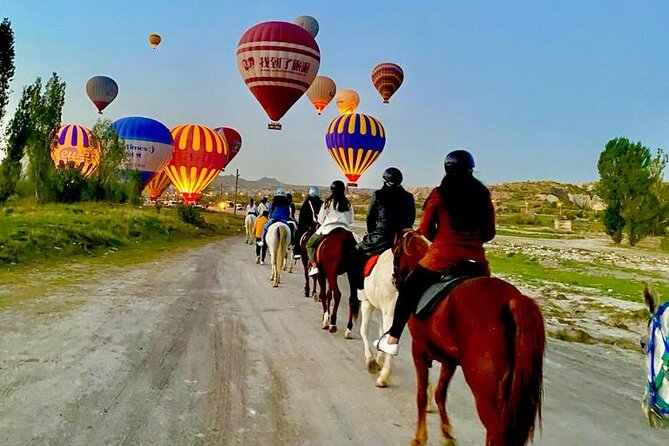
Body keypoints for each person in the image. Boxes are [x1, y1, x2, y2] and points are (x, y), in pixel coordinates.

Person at [374, 150, 496, 356]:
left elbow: (427, 229)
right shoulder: (483, 195)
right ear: (471, 169)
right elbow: (489, 233)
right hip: (476, 261)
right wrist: (472, 241)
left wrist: (443, 238)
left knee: (409, 289)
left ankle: (392, 339)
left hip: (442, 258)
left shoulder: (439, 194)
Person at [350, 167, 416, 290]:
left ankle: (359, 290)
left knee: (356, 252)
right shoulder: (409, 196)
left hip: (382, 237)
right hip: (403, 237)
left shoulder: (378, 195)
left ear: (384, 181)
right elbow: (411, 219)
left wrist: (372, 234)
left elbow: (370, 218)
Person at [306, 180, 354, 276]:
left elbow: (320, 219)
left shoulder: (327, 203)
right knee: (356, 247)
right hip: (344, 230)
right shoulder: (348, 204)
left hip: (328, 229)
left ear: (332, 190)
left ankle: (314, 266)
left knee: (310, 244)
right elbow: (350, 220)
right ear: (343, 190)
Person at [294, 186, 324, 260]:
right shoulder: (322, 203)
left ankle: (297, 252)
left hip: (308, 226)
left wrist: (301, 225)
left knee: (298, 233)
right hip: (320, 226)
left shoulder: (306, 203)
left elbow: (302, 217)